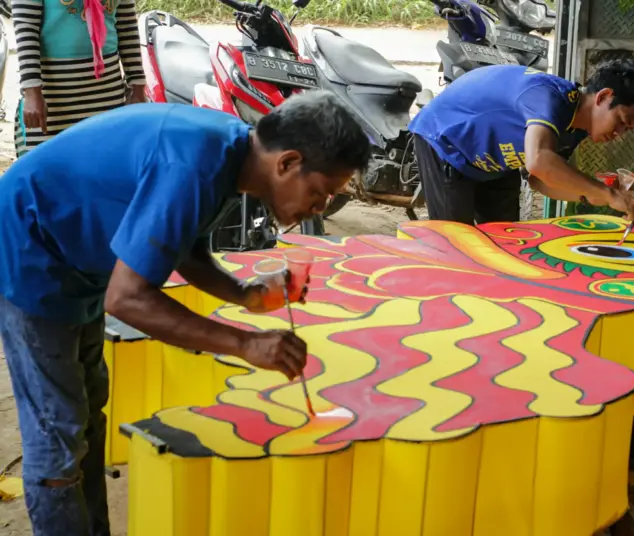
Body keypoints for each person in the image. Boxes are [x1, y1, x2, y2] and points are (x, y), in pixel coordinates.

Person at [0, 91, 371, 536]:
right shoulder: (192, 166)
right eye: (320, 192)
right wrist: (246, 343)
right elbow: (128, 299)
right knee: (56, 428)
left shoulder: (232, 157)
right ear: (287, 163)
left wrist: (246, 295)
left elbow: (181, 247)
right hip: (30, 249)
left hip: (76, 257)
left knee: (85, 408)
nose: (320, 207)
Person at [408, 59, 634, 225]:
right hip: (446, 141)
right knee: (457, 244)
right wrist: (609, 194)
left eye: (628, 128)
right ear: (603, 97)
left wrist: (597, 195)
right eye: (622, 120)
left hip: (496, 158)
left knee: (503, 242)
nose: (620, 132)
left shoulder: (576, 128)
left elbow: (541, 180)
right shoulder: (549, 98)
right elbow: (539, 161)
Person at [12, 0, 147, 157]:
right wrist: (31, 91)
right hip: (54, 96)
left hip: (107, 92)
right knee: (50, 166)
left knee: (104, 161)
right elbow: (25, 31)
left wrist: (137, 86)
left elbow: (127, 26)